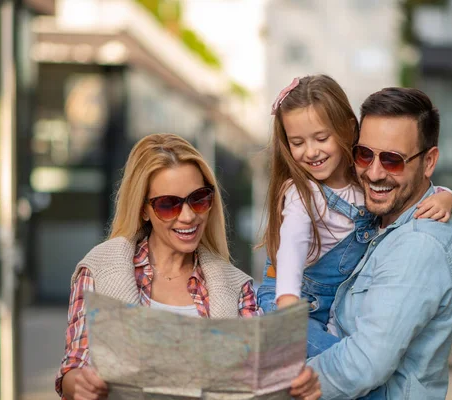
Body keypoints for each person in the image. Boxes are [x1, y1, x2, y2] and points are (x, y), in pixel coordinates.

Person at [55, 133, 320, 400]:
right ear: (143, 209)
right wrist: (82, 385)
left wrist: (297, 384)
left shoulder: (237, 287)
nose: (189, 216)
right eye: (168, 205)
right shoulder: (99, 269)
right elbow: (74, 367)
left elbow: (258, 378)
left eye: (199, 199)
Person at [256, 75, 452, 357]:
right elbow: (291, 248)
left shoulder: (361, 178)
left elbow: (424, 188)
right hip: (290, 307)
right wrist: (288, 311)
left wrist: (446, 197)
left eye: (321, 138)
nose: (311, 151)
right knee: (348, 366)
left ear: (348, 129)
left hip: (325, 312)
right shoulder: (303, 195)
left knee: (349, 364)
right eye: (297, 142)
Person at [306, 87, 452, 399]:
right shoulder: (382, 218)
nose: (374, 172)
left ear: (429, 161)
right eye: (364, 154)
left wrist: (279, 386)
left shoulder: (418, 246)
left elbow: (364, 365)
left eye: (392, 160)